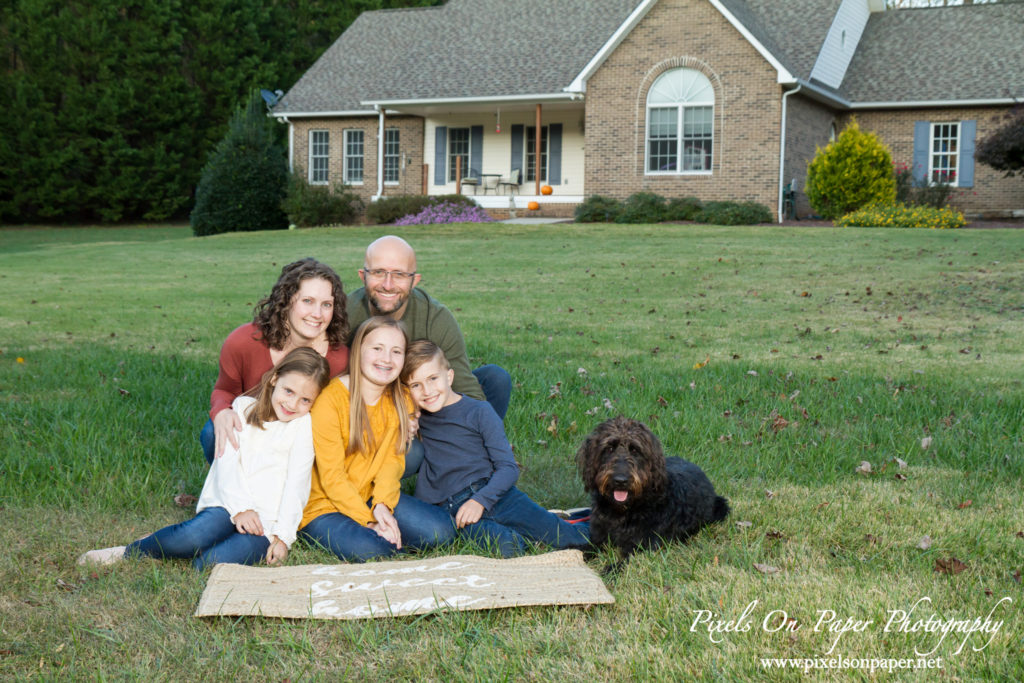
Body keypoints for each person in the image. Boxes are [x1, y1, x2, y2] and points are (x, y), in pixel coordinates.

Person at [79, 348, 332, 571]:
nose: (292, 403)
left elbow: (296, 486)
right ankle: (133, 550)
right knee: (192, 537)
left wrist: (283, 537)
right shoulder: (243, 408)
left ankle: (173, 545)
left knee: (206, 565)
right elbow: (228, 463)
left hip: (266, 522)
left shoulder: (302, 426)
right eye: (288, 391)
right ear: (275, 379)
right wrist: (241, 508)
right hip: (228, 504)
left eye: (305, 400)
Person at [401, 340, 589, 558]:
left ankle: (598, 522)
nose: (427, 390)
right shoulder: (418, 420)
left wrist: (480, 500)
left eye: (433, 378)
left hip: (496, 495)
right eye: (416, 385)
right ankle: (523, 536)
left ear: (449, 376)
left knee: (570, 538)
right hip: (455, 512)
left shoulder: (479, 411)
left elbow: (508, 468)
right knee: (507, 547)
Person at [346, 235, 511, 475]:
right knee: (411, 456)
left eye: (399, 274)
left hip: (426, 401)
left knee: (494, 379)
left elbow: (468, 390)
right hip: (370, 413)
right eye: (379, 272)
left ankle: (468, 461)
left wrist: (484, 440)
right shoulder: (344, 316)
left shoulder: (435, 318)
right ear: (363, 276)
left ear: (414, 281)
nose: (388, 284)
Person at [298, 317, 456, 562]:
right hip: (324, 505)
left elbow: (391, 462)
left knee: (442, 532)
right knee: (373, 550)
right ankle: (380, 539)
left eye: (396, 352)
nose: (386, 359)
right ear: (359, 350)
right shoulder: (330, 402)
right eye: (377, 349)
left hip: (370, 494)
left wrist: (382, 505)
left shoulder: (401, 398)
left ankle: (387, 536)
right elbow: (332, 478)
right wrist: (369, 520)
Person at [201, 258, 349, 464]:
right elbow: (224, 390)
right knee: (212, 432)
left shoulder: (340, 360)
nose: (317, 314)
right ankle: (230, 486)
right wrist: (222, 412)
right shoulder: (243, 342)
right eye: (307, 301)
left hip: (304, 446)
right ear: (286, 300)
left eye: (326, 305)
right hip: (255, 431)